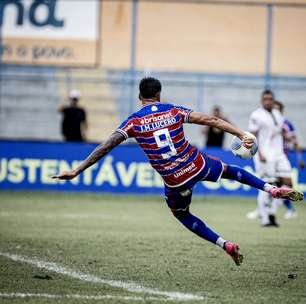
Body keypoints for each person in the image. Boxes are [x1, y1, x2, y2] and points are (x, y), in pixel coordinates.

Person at [52, 78, 303, 266]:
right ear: (159, 95)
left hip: (174, 179)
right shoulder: (172, 110)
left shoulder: (133, 122)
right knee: (230, 170)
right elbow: (212, 121)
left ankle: (224, 244)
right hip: (195, 163)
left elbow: (105, 146)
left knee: (182, 214)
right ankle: (271, 188)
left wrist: (77, 170)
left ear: (140, 97)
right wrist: (241, 134)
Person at [246, 90, 297, 226]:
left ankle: (272, 212)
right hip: (265, 154)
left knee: (288, 183)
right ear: (261, 101)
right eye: (265, 99)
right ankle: (265, 219)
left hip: (279, 153)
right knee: (267, 185)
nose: (268, 101)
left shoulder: (277, 113)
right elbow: (252, 135)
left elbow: (279, 130)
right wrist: (259, 152)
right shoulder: (256, 115)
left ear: (273, 100)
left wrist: (287, 137)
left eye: (270, 99)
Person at [273, 100, 304, 219]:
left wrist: (300, 158)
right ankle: (268, 210)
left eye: (277, 109)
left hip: (282, 159)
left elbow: (295, 141)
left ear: (281, 110)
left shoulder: (286, 124)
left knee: (281, 185)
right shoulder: (269, 122)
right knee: (274, 185)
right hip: (271, 159)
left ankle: (271, 210)